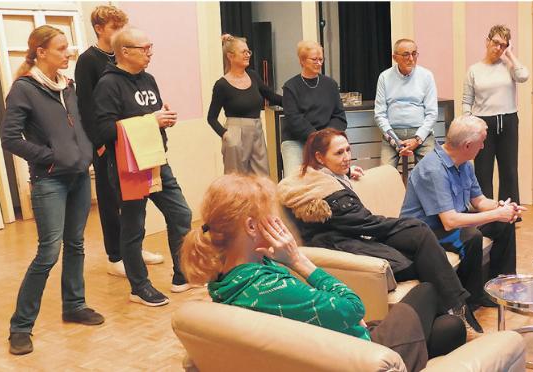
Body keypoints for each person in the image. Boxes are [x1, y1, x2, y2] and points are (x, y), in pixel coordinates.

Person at [179, 174, 466, 372]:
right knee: (428, 291)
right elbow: (353, 308)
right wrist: (298, 260)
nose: (277, 221)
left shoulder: (226, 279)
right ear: (253, 227)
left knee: (449, 329)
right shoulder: (270, 286)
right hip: (355, 354)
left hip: (334, 340)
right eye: (271, 214)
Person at [277, 128, 483, 333]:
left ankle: (452, 312)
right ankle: (456, 311)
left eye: (348, 150)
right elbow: (367, 223)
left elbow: (360, 221)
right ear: (319, 157)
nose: (347, 157)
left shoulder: (316, 179)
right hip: (342, 248)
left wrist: (346, 171)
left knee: (422, 239)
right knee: (420, 240)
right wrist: (408, 224)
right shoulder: (329, 195)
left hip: (355, 236)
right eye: (339, 153)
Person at [2, 25, 104, 356]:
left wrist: (87, 150)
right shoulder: (24, 88)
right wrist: (51, 158)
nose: (68, 53)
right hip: (49, 180)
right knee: (48, 251)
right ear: (41, 52)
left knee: (76, 244)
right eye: (61, 48)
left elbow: (80, 125)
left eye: (67, 48)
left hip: (77, 176)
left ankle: (74, 305)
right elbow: (10, 138)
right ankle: (20, 326)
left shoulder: (68, 87)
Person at [94, 28, 193, 306]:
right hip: (129, 168)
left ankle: (182, 274)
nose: (150, 53)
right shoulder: (108, 85)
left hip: (157, 161)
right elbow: (103, 130)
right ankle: (139, 286)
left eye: (151, 47)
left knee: (181, 213)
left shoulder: (148, 79)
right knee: (134, 228)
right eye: (145, 48)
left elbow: (151, 116)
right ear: (125, 51)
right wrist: (152, 121)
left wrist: (164, 121)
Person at [75, 5, 163, 279]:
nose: (118, 34)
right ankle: (116, 255)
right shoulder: (89, 61)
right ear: (99, 29)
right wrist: (98, 142)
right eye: (114, 28)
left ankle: (134, 250)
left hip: (135, 140)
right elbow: (86, 106)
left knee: (137, 198)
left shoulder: (128, 60)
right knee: (111, 199)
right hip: (106, 142)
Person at [400, 115, 523, 310]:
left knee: (504, 223)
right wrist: (497, 214)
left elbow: (480, 201)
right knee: (471, 236)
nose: (483, 146)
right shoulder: (434, 169)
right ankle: (472, 300)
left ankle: (503, 286)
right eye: (481, 142)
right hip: (424, 231)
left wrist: (502, 207)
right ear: (467, 145)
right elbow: (449, 221)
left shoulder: (464, 163)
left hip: (447, 222)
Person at [462, 25, 529, 207]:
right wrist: (468, 123)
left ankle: (511, 211)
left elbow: (524, 76)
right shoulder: (474, 70)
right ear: (487, 41)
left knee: (509, 169)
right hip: (482, 123)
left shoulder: (509, 66)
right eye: (496, 43)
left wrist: (511, 55)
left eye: (503, 45)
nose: (498, 48)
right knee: (483, 170)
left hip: (508, 120)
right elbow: (467, 100)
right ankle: (485, 210)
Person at [206, 34, 282, 175]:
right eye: (243, 52)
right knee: (236, 179)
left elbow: (271, 96)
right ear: (230, 56)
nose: (248, 55)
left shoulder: (253, 75)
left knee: (262, 177)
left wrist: (296, 99)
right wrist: (225, 135)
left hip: (257, 131)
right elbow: (211, 118)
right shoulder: (222, 85)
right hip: (235, 132)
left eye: (248, 52)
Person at [281, 40, 347, 177]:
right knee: (295, 180)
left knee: (334, 177)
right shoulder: (290, 86)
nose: (319, 63)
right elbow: (295, 120)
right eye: (314, 59)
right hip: (296, 140)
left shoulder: (331, 85)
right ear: (302, 61)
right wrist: (317, 139)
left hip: (325, 141)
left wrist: (326, 137)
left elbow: (339, 116)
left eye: (321, 59)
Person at [374, 38, 438, 167]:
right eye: (406, 54)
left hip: (421, 134)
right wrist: (395, 142)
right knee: (385, 174)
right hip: (393, 134)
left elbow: (432, 113)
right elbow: (379, 114)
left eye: (414, 54)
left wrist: (417, 139)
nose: (411, 58)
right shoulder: (384, 77)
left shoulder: (426, 76)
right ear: (395, 57)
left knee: (431, 171)